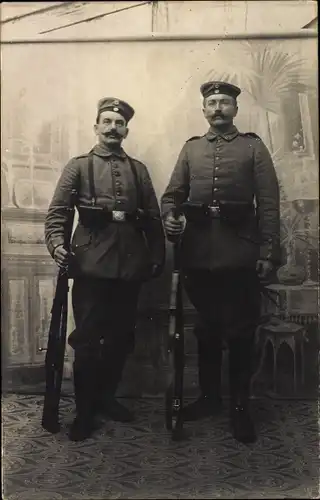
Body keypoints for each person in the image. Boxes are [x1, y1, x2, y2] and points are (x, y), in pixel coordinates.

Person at [161, 81, 280, 444]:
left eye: (224, 103)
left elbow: (269, 203)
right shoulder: (191, 149)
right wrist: (170, 216)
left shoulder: (253, 147)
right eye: (211, 103)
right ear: (203, 110)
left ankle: (240, 409)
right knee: (208, 331)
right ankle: (211, 399)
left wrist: (267, 253)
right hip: (198, 256)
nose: (217, 109)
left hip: (240, 256)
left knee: (241, 333)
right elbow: (172, 196)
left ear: (235, 109)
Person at [45, 97, 165, 441]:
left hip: (130, 268)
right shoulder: (79, 166)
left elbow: (153, 218)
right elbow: (56, 215)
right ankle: (84, 412)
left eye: (119, 123)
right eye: (107, 121)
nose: (113, 127)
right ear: (96, 127)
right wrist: (57, 247)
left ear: (127, 130)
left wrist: (155, 254)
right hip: (90, 267)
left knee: (120, 338)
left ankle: (106, 398)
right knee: (87, 341)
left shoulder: (138, 170)